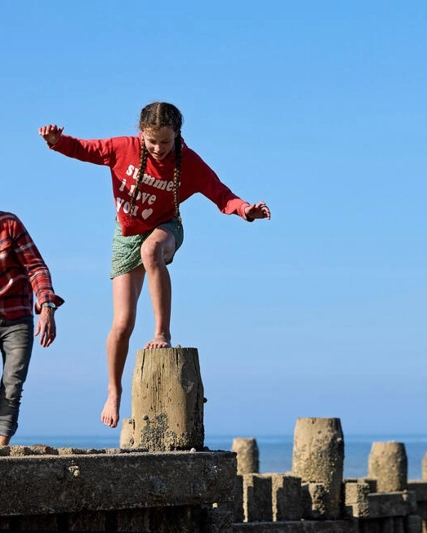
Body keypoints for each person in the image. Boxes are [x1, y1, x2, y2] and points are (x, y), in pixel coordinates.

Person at [38, 101, 271, 429]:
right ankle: (114, 390)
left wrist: (246, 210)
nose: (159, 148)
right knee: (122, 324)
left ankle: (162, 332)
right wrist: (56, 141)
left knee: (152, 251)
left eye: (166, 141)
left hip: (166, 228)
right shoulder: (123, 148)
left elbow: (222, 195)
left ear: (177, 134)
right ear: (141, 134)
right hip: (126, 234)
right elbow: (83, 149)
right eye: (152, 142)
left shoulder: (188, 163)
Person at [0, 211, 64, 445]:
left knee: (13, 384)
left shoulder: (9, 225)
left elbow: (36, 268)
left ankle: (2, 451)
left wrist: (47, 306)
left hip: (17, 316)